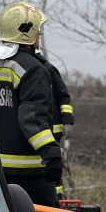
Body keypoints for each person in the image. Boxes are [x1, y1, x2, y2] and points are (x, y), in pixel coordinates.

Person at [0, 2, 61, 206]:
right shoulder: (34, 69)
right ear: (26, 33)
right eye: (37, 30)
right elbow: (33, 117)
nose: (40, 34)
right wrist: (50, 151)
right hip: (28, 172)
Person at [33, 48, 74, 199]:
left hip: (52, 130)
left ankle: (57, 200)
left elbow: (63, 96)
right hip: (38, 129)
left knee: (51, 167)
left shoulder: (48, 70)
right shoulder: (28, 69)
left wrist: (67, 121)